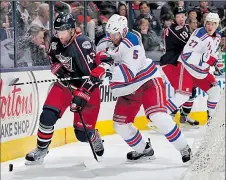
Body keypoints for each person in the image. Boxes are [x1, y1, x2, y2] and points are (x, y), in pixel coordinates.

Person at [25, 12, 113, 165]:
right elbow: (53, 58)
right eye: (58, 31)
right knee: (47, 116)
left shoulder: (83, 43)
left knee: (81, 135)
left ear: (72, 30)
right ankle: (41, 149)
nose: (60, 35)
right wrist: (56, 67)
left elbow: (94, 75)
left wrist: (82, 94)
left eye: (64, 31)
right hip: (66, 85)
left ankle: (93, 136)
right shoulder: (54, 42)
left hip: (89, 89)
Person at [103, 14, 191, 162]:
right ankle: (144, 150)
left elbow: (128, 74)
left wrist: (106, 70)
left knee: (158, 116)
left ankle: (184, 148)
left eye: (116, 33)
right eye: (110, 34)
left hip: (147, 81)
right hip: (130, 89)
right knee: (120, 125)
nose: (113, 37)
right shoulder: (112, 42)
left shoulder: (131, 42)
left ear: (124, 31)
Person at [166, 13, 224, 124]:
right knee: (183, 96)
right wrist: (206, 58)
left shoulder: (218, 37)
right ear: (205, 23)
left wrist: (218, 63)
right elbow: (186, 55)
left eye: (213, 24)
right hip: (187, 68)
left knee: (215, 90)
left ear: (217, 25)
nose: (210, 27)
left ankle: (211, 120)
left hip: (201, 72)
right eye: (208, 23)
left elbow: (214, 54)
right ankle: (159, 117)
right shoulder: (199, 34)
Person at [160, 7, 199, 127]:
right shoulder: (174, 29)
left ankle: (183, 117)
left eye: (182, 16)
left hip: (180, 64)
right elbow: (190, 46)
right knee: (183, 93)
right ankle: (163, 119)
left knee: (191, 91)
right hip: (171, 63)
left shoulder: (186, 27)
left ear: (186, 17)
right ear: (174, 18)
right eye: (178, 17)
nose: (181, 19)